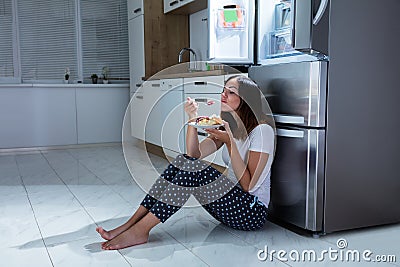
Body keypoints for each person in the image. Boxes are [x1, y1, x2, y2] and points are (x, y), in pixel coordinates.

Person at [96, 75, 275, 250]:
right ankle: (130, 225)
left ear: (246, 100)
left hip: (251, 212)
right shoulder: (230, 127)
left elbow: (248, 186)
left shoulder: (261, 131)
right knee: (183, 161)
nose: (223, 95)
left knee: (194, 169)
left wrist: (229, 143)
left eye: (231, 92)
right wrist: (192, 118)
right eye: (223, 90)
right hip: (232, 205)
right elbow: (193, 154)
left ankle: (140, 231)